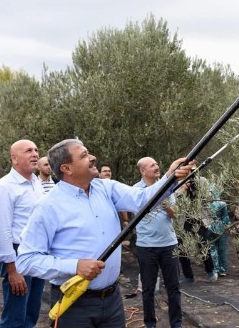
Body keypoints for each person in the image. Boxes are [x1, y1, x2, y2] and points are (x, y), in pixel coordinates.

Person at [16, 139, 193, 327]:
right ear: (67, 168)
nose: (93, 158)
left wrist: (170, 176)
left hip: (112, 301)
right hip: (73, 304)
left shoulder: (106, 188)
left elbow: (142, 199)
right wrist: (74, 266)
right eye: (84, 155)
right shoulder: (48, 206)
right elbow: (26, 260)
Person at [0, 140, 46, 328]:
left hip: (37, 253)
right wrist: (12, 270)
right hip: (18, 255)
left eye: (36, 150)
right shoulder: (4, 187)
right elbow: (2, 230)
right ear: (14, 158)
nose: (35, 154)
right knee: (15, 317)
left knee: (31, 312)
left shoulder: (36, 183)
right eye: (28, 150)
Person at [133, 157, 182, 328]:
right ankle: (149, 323)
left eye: (157, 163)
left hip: (169, 244)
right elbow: (136, 210)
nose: (157, 166)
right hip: (146, 246)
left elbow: (175, 214)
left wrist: (164, 202)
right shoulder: (135, 191)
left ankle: (176, 324)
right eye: (152, 165)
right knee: (148, 289)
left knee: (174, 287)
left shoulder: (168, 188)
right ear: (143, 171)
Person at [208, 185, 231, 277]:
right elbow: (225, 217)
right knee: (222, 249)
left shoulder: (208, 203)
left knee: (213, 249)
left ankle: (215, 269)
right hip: (221, 227)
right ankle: (223, 269)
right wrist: (228, 226)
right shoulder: (223, 204)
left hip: (210, 227)